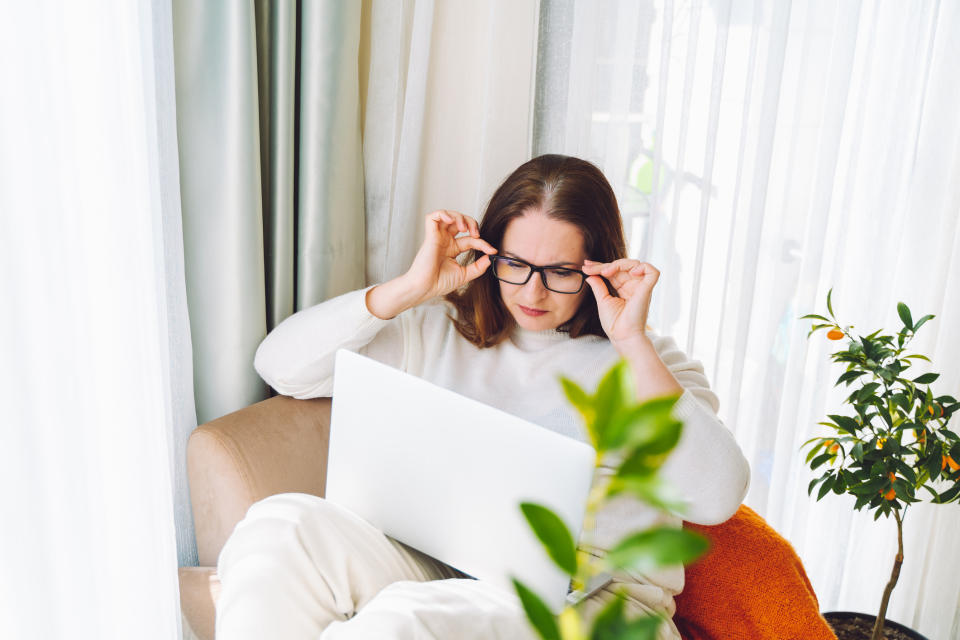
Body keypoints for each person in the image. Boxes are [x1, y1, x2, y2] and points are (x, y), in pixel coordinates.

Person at [215, 154, 750, 639]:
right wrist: (410, 288)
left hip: (593, 603)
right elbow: (281, 367)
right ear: (491, 253)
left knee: (401, 621)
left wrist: (631, 340)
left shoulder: (647, 362)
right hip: (441, 559)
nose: (531, 292)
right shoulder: (436, 331)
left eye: (560, 272)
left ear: (597, 267)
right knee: (280, 525)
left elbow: (718, 495)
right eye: (514, 265)